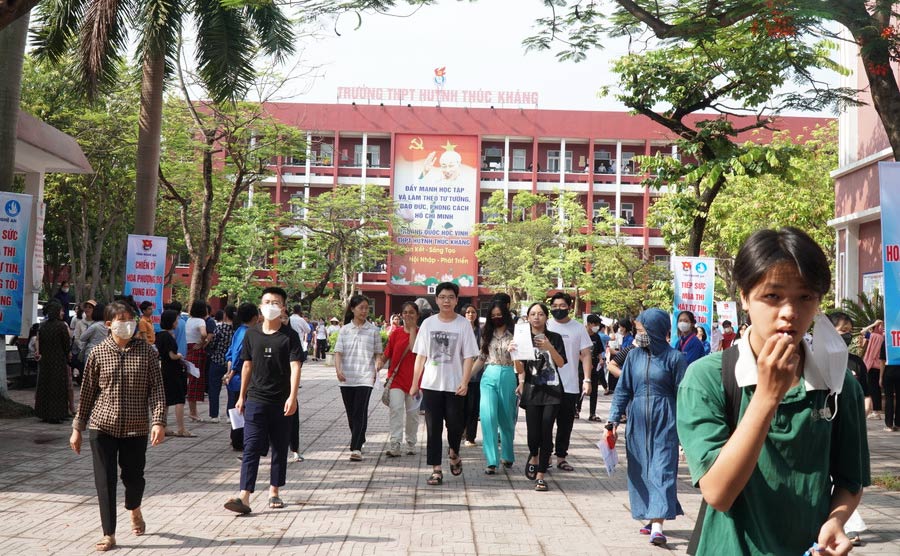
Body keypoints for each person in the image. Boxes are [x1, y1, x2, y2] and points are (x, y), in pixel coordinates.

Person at [677, 227, 870, 555]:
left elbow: (850, 481)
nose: (789, 312)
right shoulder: (707, 379)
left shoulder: (838, 384)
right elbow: (718, 492)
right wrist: (767, 395)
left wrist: (836, 520)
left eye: (805, 296)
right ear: (744, 296)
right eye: (772, 296)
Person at [69, 301, 166, 552]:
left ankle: (134, 508)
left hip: (136, 427)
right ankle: (108, 533)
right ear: (109, 324)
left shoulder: (147, 352)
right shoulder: (98, 353)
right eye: (122, 319)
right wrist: (77, 427)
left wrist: (158, 421)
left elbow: (156, 390)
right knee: (105, 480)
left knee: (133, 478)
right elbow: (88, 393)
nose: (127, 324)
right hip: (102, 427)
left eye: (130, 319)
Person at [608, 308, 686, 546]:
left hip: (666, 419)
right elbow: (623, 390)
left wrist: (685, 434)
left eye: (641, 330)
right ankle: (651, 516)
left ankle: (658, 526)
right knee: (640, 471)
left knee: (662, 470)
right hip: (637, 420)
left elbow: (684, 395)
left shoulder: (675, 358)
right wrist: (612, 421)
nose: (637, 335)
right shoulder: (633, 356)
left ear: (655, 330)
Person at [224, 287, 302, 514]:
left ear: (283, 307)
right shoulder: (251, 334)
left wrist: (293, 397)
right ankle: (244, 496)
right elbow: (247, 365)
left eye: (276, 302)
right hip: (256, 399)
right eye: (267, 301)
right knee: (251, 447)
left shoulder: (290, 336)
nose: (271, 306)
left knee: (279, 447)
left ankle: (274, 491)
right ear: (260, 306)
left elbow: (295, 366)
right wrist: (241, 396)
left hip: (282, 401)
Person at [409, 282, 480, 486]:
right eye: (442, 297)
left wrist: (465, 381)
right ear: (437, 300)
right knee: (433, 428)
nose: (446, 301)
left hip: (455, 385)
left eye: (450, 297)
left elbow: (468, 357)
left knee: (456, 426)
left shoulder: (463, 324)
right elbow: (421, 356)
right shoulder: (429, 324)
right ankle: (436, 469)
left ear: (457, 300)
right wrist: (415, 383)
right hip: (431, 385)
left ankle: (454, 453)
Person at [515, 302, 567, 491]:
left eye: (540, 314)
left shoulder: (555, 337)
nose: (536, 317)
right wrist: (514, 354)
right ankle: (533, 454)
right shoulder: (522, 338)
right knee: (533, 434)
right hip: (532, 391)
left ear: (546, 317)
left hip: (552, 392)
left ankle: (541, 474)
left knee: (546, 431)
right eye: (533, 314)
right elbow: (520, 369)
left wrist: (548, 347)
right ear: (528, 317)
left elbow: (561, 363)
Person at [546, 292, 593, 470]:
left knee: (565, 424)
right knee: (546, 422)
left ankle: (561, 457)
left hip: (570, 383)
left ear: (569, 307)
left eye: (562, 306)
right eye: (555, 306)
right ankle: (546, 455)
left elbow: (586, 354)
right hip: (548, 383)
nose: (558, 309)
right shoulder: (546, 325)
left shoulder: (578, 328)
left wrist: (587, 379)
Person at [333, 295, 382, 461]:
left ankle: (356, 448)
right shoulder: (344, 330)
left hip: (365, 377)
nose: (364, 311)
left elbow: (378, 354)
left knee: (360, 411)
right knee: (351, 414)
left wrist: (377, 368)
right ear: (352, 309)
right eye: (361, 307)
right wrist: (338, 370)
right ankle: (359, 437)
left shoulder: (373, 330)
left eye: (366, 308)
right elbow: (338, 353)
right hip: (347, 378)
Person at [474, 300, 516, 473]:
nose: (496, 318)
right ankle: (491, 460)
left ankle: (507, 454)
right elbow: (481, 358)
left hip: (508, 374)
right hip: (489, 375)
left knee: (506, 418)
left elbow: (522, 360)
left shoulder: (515, 333)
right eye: (493, 315)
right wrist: (466, 377)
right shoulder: (486, 333)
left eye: (499, 314)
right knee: (488, 416)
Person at [376, 301, 421, 457]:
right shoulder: (395, 333)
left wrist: (413, 329)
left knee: (413, 415)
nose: (408, 315)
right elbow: (387, 354)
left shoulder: (422, 333)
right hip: (396, 380)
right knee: (396, 409)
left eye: (411, 313)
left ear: (417, 315)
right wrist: (378, 364)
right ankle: (395, 443)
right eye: (405, 312)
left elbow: (415, 348)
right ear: (401, 315)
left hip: (416, 381)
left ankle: (411, 443)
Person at [34, 300, 73, 423]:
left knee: (46, 386)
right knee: (58, 387)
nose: (62, 312)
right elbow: (66, 344)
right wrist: (68, 354)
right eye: (60, 310)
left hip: (46, 361)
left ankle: (44, 412)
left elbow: (40, 341)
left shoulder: (43, 326)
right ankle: (58, 413)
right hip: (58, 360)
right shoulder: (61, 326)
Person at [156, 309, 192, 438]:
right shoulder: (168, 336)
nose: (177, 322)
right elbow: (172, 355)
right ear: (171, 322)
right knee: (179, 399)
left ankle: (162, 426)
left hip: (164, 370)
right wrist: (179, 356)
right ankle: (181, 428)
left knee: (165, 400)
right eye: (176, 320)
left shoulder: (159, 335)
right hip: (173, 371)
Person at [207, 305, 236, 423]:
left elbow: (212, 344)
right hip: (231, 363)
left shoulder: (219, 328)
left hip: (217, 360)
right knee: (232, 390)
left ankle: (214, 415)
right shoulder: (237, 330)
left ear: (225, 315)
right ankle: (230, 415)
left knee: (214, 389)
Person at [576, 314, 607, 420]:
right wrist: (585, 362)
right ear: (589, 324)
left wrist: (600, 359)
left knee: (594, 391)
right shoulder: (581, 335)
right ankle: (576, 409)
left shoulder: (596, 336)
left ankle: (592, 413)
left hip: (594, 368)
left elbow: (599, 350)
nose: (597, 327)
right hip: (582, 367)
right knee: (580, 388)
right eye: (595, 324)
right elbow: (576, 352)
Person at [184, 301, 210, 422]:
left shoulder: (188, 320)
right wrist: (201, 343)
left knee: (191, 380)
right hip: (196, 351)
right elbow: (204, 334)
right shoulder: (200, 321)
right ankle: (193, 412)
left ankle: (193, 411)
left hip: (187, 350)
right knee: (195, 381)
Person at [461, 303, 482, 447]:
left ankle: (471, 436)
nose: (470, 314)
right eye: (467, 312)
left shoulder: (481, 332)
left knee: (473, 408)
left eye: (473, 312)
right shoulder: (459, 330)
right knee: (460, 407)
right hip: (459, 374)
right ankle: (460, 432)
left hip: (477, 376)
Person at [862, 320, 885, 420]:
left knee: (873, 389)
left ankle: (875, 412)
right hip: (880, 366)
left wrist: (873, 324)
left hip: (871, 366)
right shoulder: (883, 337)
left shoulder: (872, 336)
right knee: (877, 389)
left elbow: (862, 331)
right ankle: (876, 411)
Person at [78, 303, 109, 369]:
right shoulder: (108, 326)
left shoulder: (94, 326)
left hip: (91, 352)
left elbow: (82, 338)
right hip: (105, 353)